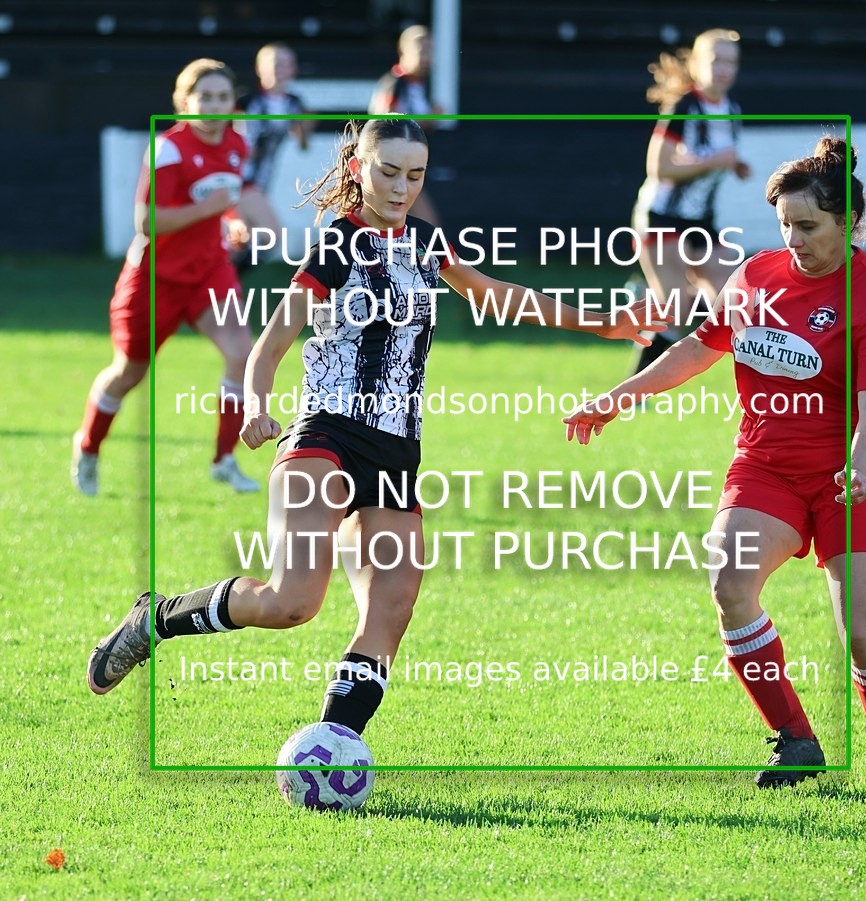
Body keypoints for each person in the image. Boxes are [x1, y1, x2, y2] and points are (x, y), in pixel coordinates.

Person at [86, 119, 666, 753]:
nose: (400, 187)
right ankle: (158, 620)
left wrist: (604, 324)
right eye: (387, 171)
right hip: (325, 437)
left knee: (389, 612)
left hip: (396, 451)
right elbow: (270, 345)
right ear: (358, 166)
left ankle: (333, 744)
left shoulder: (424, 241)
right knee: (291, 602)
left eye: (414, 175)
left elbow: (496, 295)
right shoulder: (336, 245)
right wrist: (257, 406)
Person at [565, 137, 866, 787]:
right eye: (784, 224)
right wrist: (616, 399)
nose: (793, 239)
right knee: (730, 586)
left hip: (853, 474)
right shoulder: (754, 276)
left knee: (860, 633)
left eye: (808, 226)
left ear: (848, 223)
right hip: (766, 467)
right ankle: (795, 739)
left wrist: (859, 465)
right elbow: (700, 348)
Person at [72, 58, 259, 496]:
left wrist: (230, 220)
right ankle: (88, 447)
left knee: (241, 353)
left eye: (222, 97)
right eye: (204, 97)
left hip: (209, 271)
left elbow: (223, 199)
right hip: (154, 278)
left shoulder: (237, 142)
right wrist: (209, 209)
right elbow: (145, 222)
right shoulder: (167, 149)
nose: (214, 106)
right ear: (184, 103)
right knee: (128, 373)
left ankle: (224, 459)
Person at [630, 28, 750, 375]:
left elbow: (712, 156)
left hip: (700, 222)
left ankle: (646, 303)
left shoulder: (731, 109)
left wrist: (733, 165)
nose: (724, 69)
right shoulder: (685, 106)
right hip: (661, 217)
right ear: (696, 64)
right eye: (716, 60)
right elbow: (658, 166)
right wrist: (715, 162)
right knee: (676, 308)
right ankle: (636, 387)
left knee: (737, 297)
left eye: (732, 62)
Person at [235, 43, 313, 267]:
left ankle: (219, 286)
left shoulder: (293, 103)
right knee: (270, 236)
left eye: (286, 64)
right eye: (275, 64)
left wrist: (306, 126)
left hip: (261, 181)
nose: (280, 69)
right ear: (260, 68)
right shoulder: (246, 101)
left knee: (242, 241)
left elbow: (302, 141)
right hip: (240, 178)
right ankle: (224, 284)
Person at [369, 25, 443, 225]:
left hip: (406, 169)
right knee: (427, 226)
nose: (427, 58)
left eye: (431, 52)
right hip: (392, 169)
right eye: (422, 51)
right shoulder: (396, 84)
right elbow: (385, 124)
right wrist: (428, 119)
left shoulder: (418, 86)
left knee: (418, 228)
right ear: (403, 51)